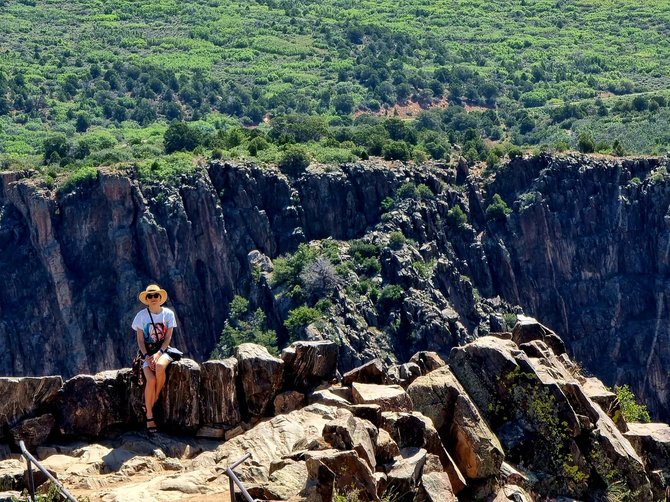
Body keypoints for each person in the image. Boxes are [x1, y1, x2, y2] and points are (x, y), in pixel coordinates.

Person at [132, 284, 177, 434]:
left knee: (159, 367)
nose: (153, 298)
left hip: (163, 350)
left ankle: (155, 398)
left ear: (160, 298)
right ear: (146, 299)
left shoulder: (168, 314)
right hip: (146, 353)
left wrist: (158, 354)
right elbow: (140, 341)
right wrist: (146, 357)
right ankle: (149, 416)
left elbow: (168, 338)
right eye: (149, 296)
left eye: (155, 295)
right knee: (150, 380)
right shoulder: (141, 316)